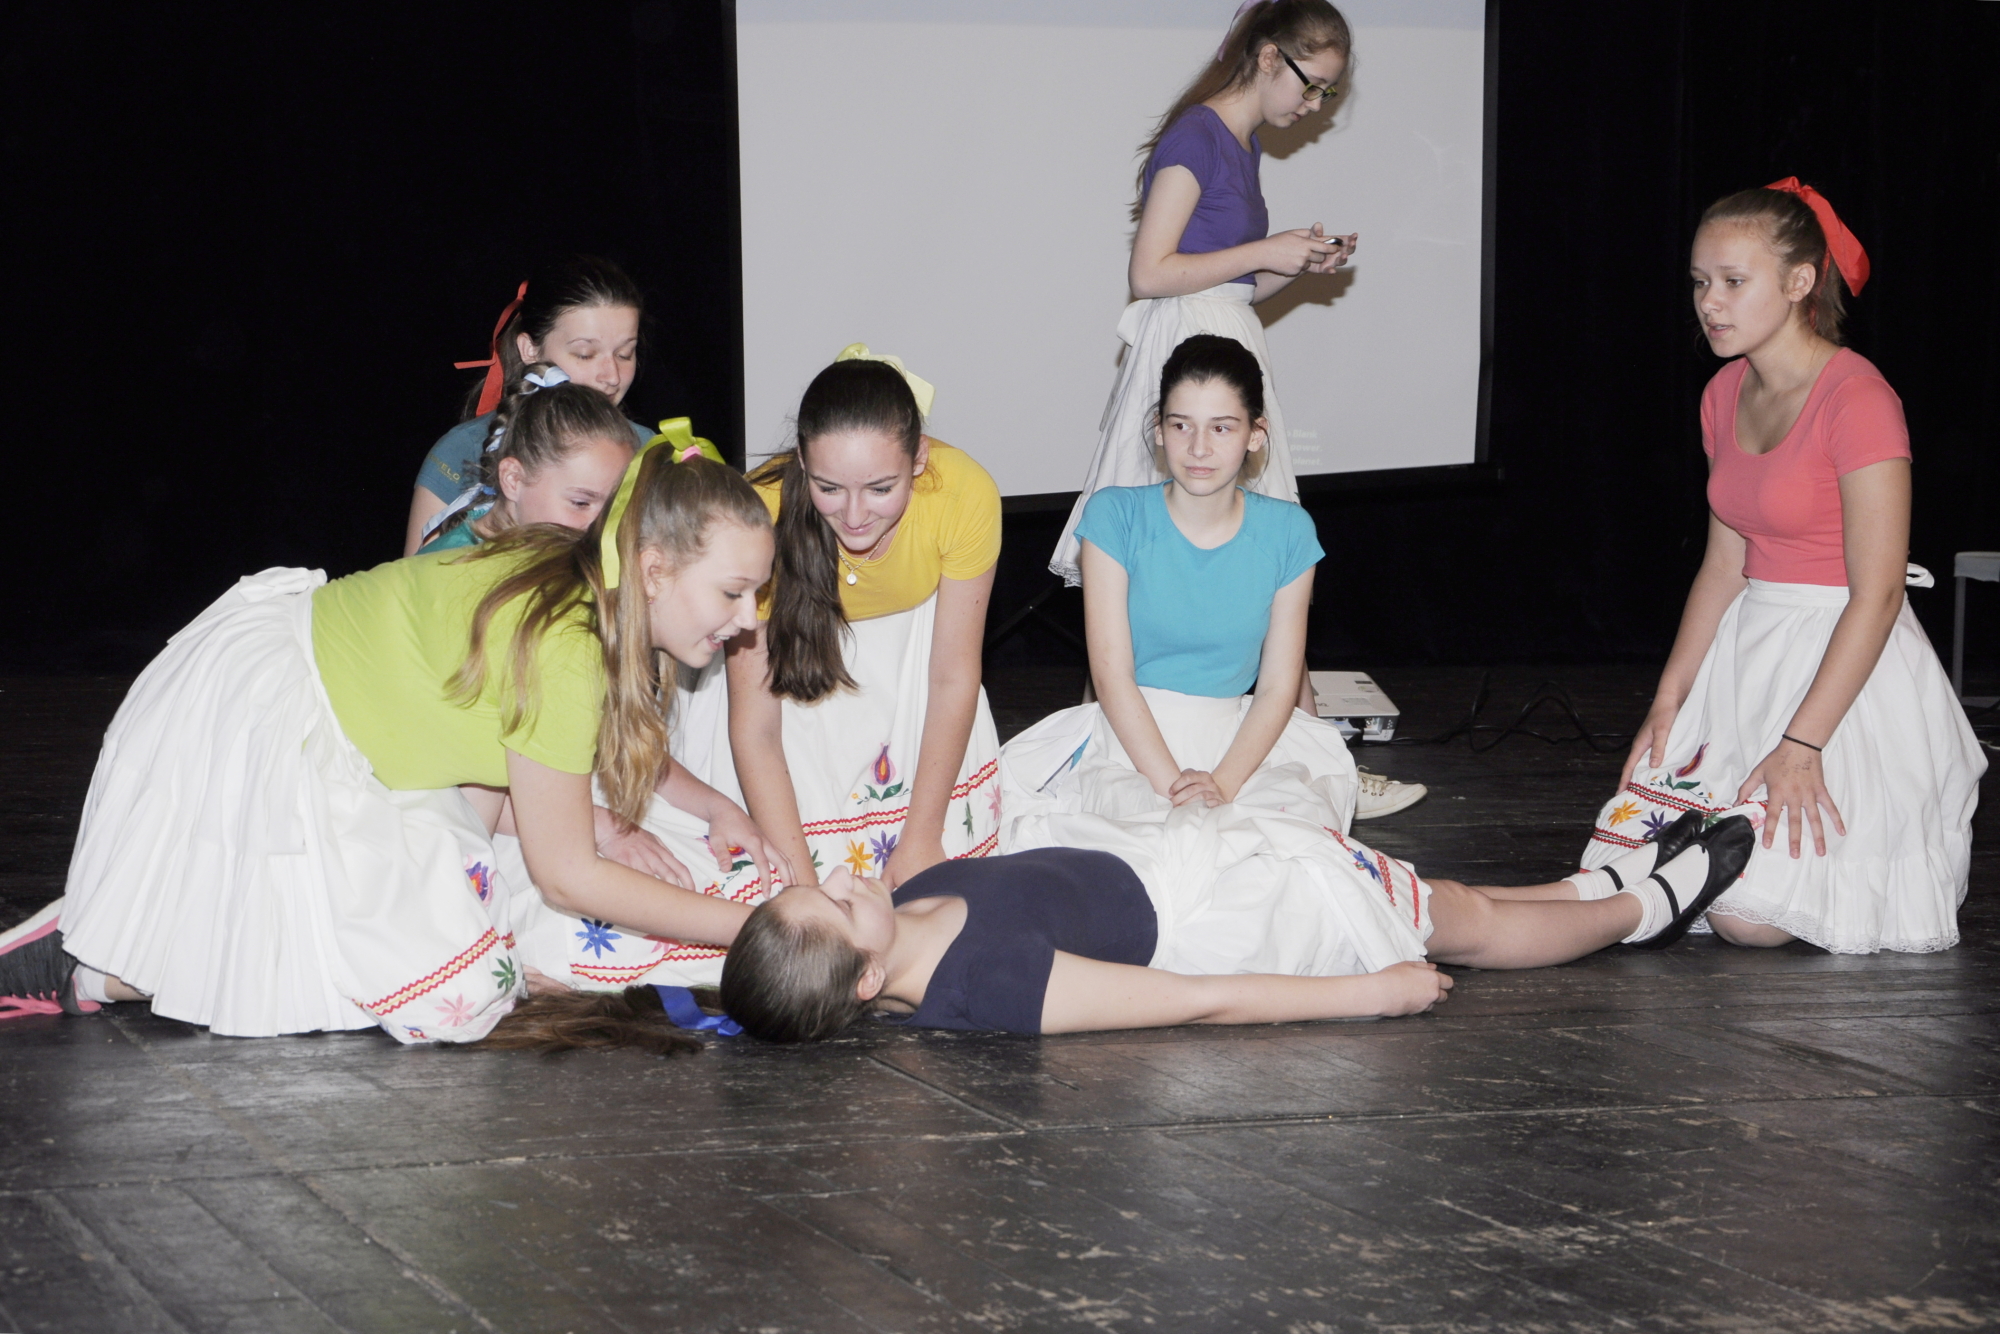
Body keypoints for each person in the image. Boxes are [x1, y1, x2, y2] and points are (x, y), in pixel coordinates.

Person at [0, 448, 786, 1040]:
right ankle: (109, 949)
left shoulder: (576, 577)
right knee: (437, 993)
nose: (749, 619)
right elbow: (569, 874)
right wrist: (756, 931)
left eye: (757, 594)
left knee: (466, 942)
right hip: (271, 717)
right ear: (653, 570)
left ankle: (101, 960)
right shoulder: (567, 645)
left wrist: (706, 806)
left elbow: (491, 778)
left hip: (320, 715)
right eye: (732, 592)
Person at [1581, 179, 1985, 954]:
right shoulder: (1723, 391)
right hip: (1750, 652)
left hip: (1845, 662)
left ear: (1800, 282)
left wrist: (1804, 744)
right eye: (1700, 282)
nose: (1709, 303)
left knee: (1747, 917)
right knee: (1665, 877)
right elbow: (1723, 563)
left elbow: (1878, 592)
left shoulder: (1858, 398)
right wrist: (1671, 699)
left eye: (1734, 282)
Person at [705, 801, 1756, 1042]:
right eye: (833, 902)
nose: (840, 877)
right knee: (1460, 922)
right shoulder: (993, 983)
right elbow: (1192, 998)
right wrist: (1366, 992)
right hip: (1241, 911)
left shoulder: (904, 909)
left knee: (1434, 891)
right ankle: (1644, 909)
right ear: (862, 981)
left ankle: (1590, 887)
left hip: (1191, 854)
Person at [1004, 334, 1416, 838]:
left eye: (1221, 427)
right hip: (1128, 742)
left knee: (1276, 855)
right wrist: (1176, 788)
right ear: (1159, 429)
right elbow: (1111, 676)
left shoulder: (1288, 531)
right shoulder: (1115, 516)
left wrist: (1220, 784)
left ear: (1256, 435)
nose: (1199, 448)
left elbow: (1278, 686)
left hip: (1242, 748)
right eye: (1181, 425)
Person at [1049, 0, 1357, 589]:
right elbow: (1150, 273)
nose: (1316, 104)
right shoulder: (1197, 136)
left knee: (1226, 544)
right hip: (1186, 353)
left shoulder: (1244, 144)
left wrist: (1296, 263)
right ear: (1269, 57)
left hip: (1221, 338)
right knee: (1162, 548)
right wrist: (1264, 249)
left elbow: (1232, 289)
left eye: (1328, 92)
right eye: (1312, 85)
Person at [701, 346, 1002, 890]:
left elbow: (952, 674)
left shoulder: (963, 493)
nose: (856, 515)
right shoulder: (757, 515)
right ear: (801, 461)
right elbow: (757, 725)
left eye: (881, 489)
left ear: (919, 459)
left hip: (920, 696)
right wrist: (802, 885)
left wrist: (922, 837)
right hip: (793, 702)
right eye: (829, 489)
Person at [405, 256, 658, 555]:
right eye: (585, 354)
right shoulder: (463, 450)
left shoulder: (653, 452)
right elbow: (416, 577)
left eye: (625, 354)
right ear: (530, 349)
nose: (612, 376)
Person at [417, 364, 636, 553]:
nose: (602, 527)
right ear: (513, 479)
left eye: (614, 506)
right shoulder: (446, 568)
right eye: (580, 503)